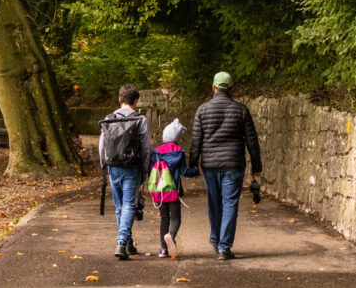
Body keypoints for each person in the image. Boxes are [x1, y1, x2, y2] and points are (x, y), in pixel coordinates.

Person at [188, 71, 262, 260]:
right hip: (234, 164)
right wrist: (256, 166)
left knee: (214, 203)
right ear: (231, 89)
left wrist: (193, 164)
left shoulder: (202, 110)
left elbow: (196, 140)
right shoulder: (241, 110)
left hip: (210, 165)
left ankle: (216, 241)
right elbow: (252, 141)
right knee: (230, 204)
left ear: (213, 88)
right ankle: (224, 247)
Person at [99, 83, 151, 260]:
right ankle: (122, 242)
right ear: (136, 100)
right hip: (132, 167)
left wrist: (104, 166)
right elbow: (146, 148)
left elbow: (102, 146)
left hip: (113, 166)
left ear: (119, 99)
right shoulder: (140, 120)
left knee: (120, 205)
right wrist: (145, 169)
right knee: (129, 204)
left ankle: (128, 242)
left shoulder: (109, 118)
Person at [146, 118, 199, 259]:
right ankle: (171, 235)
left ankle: (163, 249)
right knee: (176, 218)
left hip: (159, 192)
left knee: (164, 218)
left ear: (164, 137)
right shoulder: (179, 152)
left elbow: (150, 170)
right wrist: (195, 170)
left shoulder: (155, 152)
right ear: (177, 139)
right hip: (173, 192)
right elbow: (184, 171)